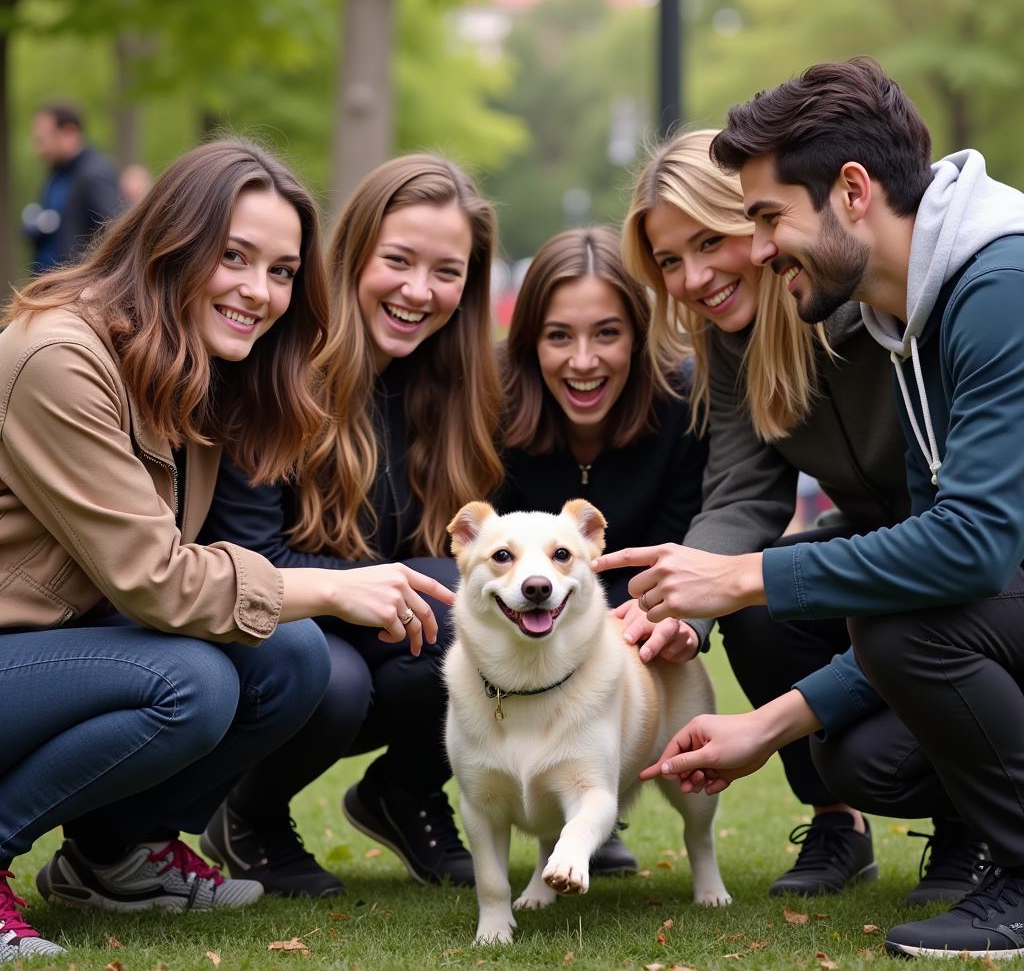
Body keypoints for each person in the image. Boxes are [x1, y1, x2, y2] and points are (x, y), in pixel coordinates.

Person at [603, 58, 1024, 959]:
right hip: (948, 560)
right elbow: (746, 497)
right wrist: (702, 631)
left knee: (890, 625)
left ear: (850, 193)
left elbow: (973, 547)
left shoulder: (957, 295)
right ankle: (861, 817)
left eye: (753, 225)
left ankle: (999, 851)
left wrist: (750, 579)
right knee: (854, 744)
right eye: (669, 262)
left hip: (978, 564)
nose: (729, 263)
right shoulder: (888, 304)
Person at [0, 139, 454, 962]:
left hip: (58, 650)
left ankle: (112, 858)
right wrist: (332, 589)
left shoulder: (193, 367)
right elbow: (155, 581)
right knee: (192, 681)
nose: (260, 291)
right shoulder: (60, 357)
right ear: (171, 241)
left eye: (281, 271)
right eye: (234, 257)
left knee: (291, 660)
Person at [196, 153, 503, 897]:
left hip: (388, 640)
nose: (418, 291)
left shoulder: (464, 392)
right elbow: (252, 555)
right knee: (343, 673)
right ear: (350, 255)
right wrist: (379, 587)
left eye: (447, 272)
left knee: (499, 625)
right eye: (397, 261)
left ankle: (405, 791)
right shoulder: (274, 374)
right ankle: (250, 815)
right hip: (271, 638)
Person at [496, 226, 708, 875]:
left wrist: (679, 614)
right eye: (559, 336)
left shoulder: (684, 401)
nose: (583, 361)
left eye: (607, 334)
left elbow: (692, 534)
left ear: (638, 337)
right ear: (530, 340)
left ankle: (834, 817)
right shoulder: (492, 406)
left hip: (642, 617)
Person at [22, 103, 122, 272]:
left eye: (42, 140)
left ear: (69, 133)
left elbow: (116, 228)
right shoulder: (57, 173)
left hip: (75, 287)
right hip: (51, 285)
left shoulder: (94, 173)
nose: (38, 149)